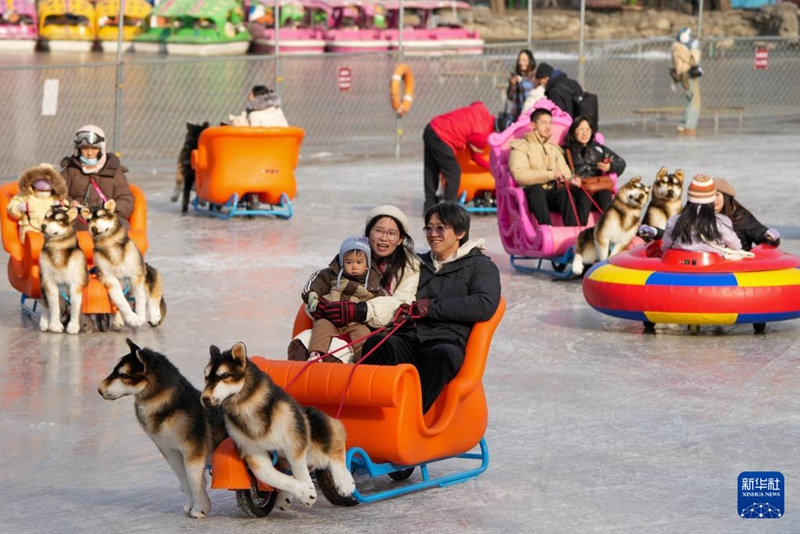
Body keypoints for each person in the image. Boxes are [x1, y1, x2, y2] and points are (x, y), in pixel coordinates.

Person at [358, 202, 500, 414]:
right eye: (429, 228)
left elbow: (484, 305)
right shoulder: (417, 263)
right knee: (378, 344)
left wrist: (430, 308)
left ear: (460, 232)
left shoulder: (480, 266)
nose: (433, 234)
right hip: (410, 337)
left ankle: (410, 418)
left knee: (442, 355)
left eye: (441, 228)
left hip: (446, 341)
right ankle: (371, 414)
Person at [291, 205, 421, 359]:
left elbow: (401, 304)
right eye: (378, 231)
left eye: (391, 233)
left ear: (400, 239)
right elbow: (322, 283)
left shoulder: (409, 268)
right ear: (368, 233)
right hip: (332, 323)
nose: (384, 238)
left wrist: (359, 310)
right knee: (299, 348)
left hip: (374, 329)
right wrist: (318, 307)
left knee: (336, 356)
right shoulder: (353, 255)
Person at [289, 236, 383, 363]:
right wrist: (312, 294)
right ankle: (316, 353)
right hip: (330, 316)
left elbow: (380, 303)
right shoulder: (331, 275)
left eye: (359, 262)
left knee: (363, 335)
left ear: (367, 265)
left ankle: (363, 361)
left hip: (355, 322)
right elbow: (317, 282)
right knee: (321, 326)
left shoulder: (373, 283)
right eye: (349, 262)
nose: (354, 266)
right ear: (342, 262)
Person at [508, 108, 588, 227]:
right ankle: (546, 229)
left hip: (551, 193)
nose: (548, 127)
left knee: (565, 193)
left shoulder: (554, 149)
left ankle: (572, 230)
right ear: (533, 125)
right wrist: (550, 174)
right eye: (544, 123)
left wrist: (572, 180)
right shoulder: (521, 148)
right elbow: (520, 176)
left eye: (550, 123)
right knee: (536, 189)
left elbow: (566, 174)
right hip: (531, 196)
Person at [422, 101, 496, 214]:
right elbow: (476, 157)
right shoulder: (482, 134)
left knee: (431, 169)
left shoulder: (482, 110)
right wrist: (492, 167)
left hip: (431, 127)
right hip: (442, 137)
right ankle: (449, 210)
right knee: (453, 173)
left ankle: (429, 205)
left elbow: (476, 103)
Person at [61, 125, 135, 227]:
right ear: (78, 149)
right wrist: (70, 202)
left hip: (107, 219)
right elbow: (59, 192)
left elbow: (126, 199)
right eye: (85, 148)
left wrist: (112, 209)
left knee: (119, 228)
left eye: (94, 148)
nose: (89, 153)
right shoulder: (70, 170)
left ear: (101, 149)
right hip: (78, 218)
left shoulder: (114, 171)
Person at [662, 174, 742, 256]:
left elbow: (665, 246)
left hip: (678, 263)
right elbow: (736, 246)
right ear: (712, 199)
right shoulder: (721, 222)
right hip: (712, 265)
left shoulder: (674, 220)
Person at [562, 115, 626, 212]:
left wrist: (610, 167)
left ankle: (606, 223)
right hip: (578, 190)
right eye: (581, 129)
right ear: (574, 131)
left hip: (597, 187)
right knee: (584, 196)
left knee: (604, 194)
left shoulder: (599, 149)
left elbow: (621, 162)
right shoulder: (566, 151)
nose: (585, 133)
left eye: (588, 129)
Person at [713, 177, 780, 251]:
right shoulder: (701, 216)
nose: (713, 200)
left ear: (726, 197)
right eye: (710, 195)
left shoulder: (740, 217)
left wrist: (769, 237)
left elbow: (759, 234)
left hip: (739, 259)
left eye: (717, 195)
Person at [6, 163, 68, 242]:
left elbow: (67, 211)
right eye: (41, 190)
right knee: (34, 243)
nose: (44, 193)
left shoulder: (55, 199)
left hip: (50, 234)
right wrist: (19, 208)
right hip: (30, 233)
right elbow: (11, 207)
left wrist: (61, 208)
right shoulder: (25, 196)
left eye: (47, 191)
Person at [671, 27, 701, 135]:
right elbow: (692, 60)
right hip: (688, 75)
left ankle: (686, 124)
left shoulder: (678, 48)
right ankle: (688, 125)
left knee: (692, 99)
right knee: (694, 101)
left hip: (686, 75)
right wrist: (694, 49)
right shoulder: (679, 48)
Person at [507, 49, 536, 121]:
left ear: (530, 61)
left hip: (532, 115)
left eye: (524, 60)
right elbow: (510, 97)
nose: (521, 63)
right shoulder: (514, 77)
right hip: (517, 116)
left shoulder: (536, 78)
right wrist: (512, 85)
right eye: (520, 60)